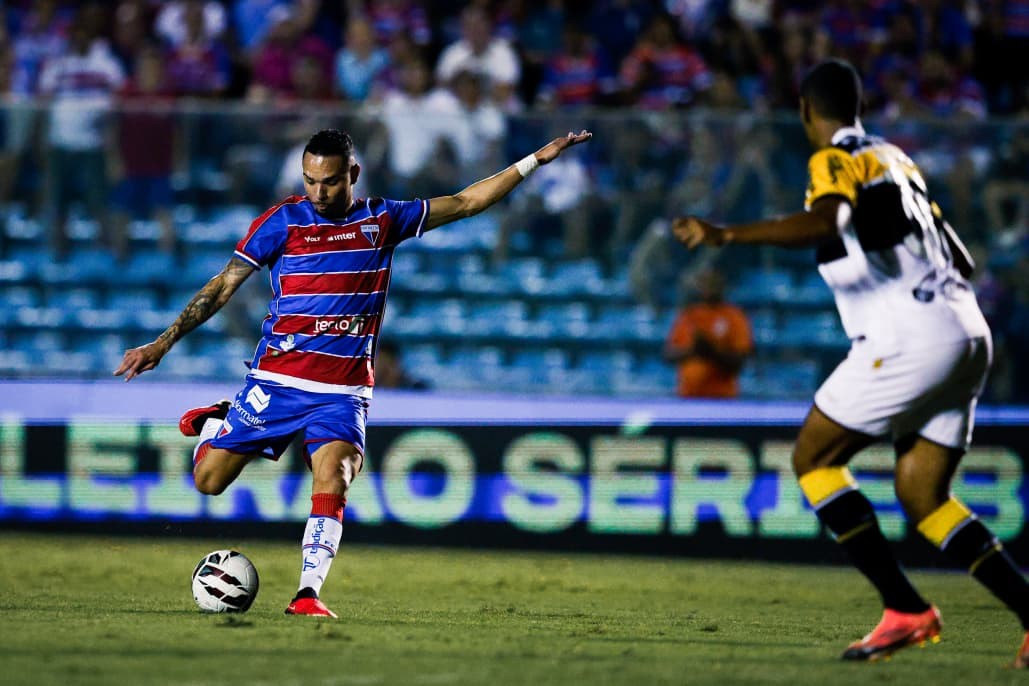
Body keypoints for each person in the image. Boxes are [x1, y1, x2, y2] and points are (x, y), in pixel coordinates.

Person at [114, 126, 592, 617]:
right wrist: (164, 342)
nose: (318, 192)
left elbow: (468, 202)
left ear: (353, 175)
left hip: (342, 393)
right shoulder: (282, 221)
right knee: (209, 483)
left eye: (330, 182)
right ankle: (219, 422)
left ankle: (306, 594)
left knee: (335, 477)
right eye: (310, 181)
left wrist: (537, 159)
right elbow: (222, 286)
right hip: (277, 380)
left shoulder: (383, 219)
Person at [673, 58, 1029, 666]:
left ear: (807, 110)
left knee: (813, 458)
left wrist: (727, 235)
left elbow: (826, 218)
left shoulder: (832, 157)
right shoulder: (896, 158)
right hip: (968, 328)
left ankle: (906, 610)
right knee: (923, 496)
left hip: (912, 335)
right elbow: (962, 258)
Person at [663, 267, 752, 398]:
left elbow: (739, 361)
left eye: (713, 282)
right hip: (687, 396)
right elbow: (669, 354)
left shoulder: (735, 317)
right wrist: (693, 350)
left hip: (722, 398)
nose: (709, 287)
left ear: (722, 285)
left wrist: (712, 352)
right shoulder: (689, 315)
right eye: (704, 282)